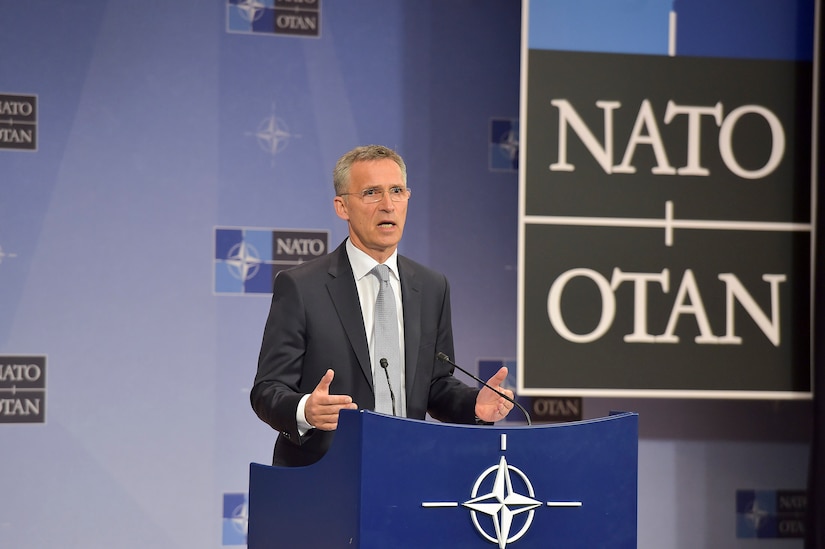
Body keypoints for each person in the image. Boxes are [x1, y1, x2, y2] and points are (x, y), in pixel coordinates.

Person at [251, 144, 514, 467]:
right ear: (342, 207)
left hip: (408, 471)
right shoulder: (303, 287)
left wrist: (475, 404)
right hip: (325, 475)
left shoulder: (431, 287)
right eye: (372, 193)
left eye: (397, 191)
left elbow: (436, 384)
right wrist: (305, 410)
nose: (388, 205)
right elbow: (267, 390)